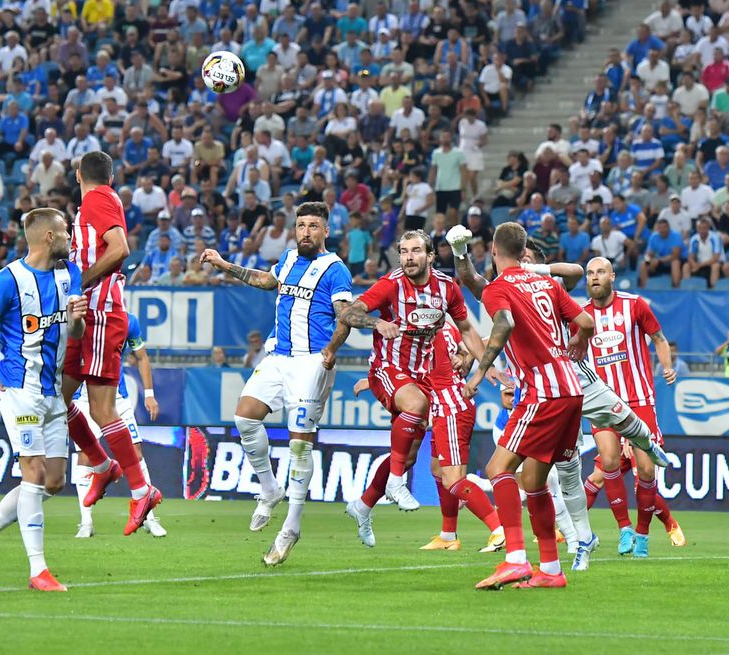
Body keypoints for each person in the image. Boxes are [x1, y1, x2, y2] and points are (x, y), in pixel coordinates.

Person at [448, 227, 669, 569]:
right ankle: (582, 539)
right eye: (524, 258)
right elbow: (472, 279)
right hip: (559, 385)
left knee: (614, 421)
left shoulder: (543, 282)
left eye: (533, 261)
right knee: (566, 472)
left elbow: (574, 275)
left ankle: (523, 557)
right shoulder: (513, 288)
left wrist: (480, 372)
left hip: (562, 383)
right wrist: (462, 253)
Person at [200, 202, 353, 566]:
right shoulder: (287, 259)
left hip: (311, 362)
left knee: (300, 443)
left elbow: (344, 316)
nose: (305, 232)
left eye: (313, 226)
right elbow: (266, 281)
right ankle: (269, 487)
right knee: (244, 417)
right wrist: (225, 265)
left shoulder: (335, 270)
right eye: (301, 225)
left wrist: (332, 349)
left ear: (326, 231)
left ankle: (292, 526)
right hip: (278, 356)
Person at [0, 208, 85, 592]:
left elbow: (74, 331)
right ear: (47, 237)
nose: (70, 237)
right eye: (65, 231)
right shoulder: (7, 280)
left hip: (52, 391)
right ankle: (38, 571)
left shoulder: (69, 273)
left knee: (55, 481)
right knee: (33, 475)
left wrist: (76, 318)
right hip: (19, 390)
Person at [463, 222, 594, 590]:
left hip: (543, 391)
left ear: (492, 251)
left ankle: (516, 559)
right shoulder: (548, 283)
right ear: (524, 253)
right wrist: (578, 341)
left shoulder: (498, 288)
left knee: (497, 468)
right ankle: (551, 570)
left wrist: (480, 372)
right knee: (534, 482)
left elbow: (502, 323)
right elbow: (585, 321)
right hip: (571, 389)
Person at [339, 230, 484, 543]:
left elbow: (467, 330)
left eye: (416, 250)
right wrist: (377, 322)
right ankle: (395, 483)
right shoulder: (391, 284)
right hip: (388, 368)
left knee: (406, 458)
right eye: (403, 251)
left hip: (423, 376)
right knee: (416, 408)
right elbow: (348, 312)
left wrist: (487, 366)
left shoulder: (447, 288)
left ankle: (362, 506)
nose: (408, 257)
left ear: (430, 256)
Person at [61, 151, 160, 536]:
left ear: (77, 173)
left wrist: (82, 281)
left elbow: (119, 249)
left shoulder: (97, 197)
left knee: (102, 410)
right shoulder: (95, 202)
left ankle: (140, 488)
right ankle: (104, 467)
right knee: (56, 398)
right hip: (87, 312)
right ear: (113, 173)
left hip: (100, 310)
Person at [580, 257, 684, 556]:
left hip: (638, 399)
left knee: (646, 469)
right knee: (609, 462)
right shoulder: (582, 315)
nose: (594, 277)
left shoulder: (635, 304)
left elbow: (659, 338)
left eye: (600, 272)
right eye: (589, 273)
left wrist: (666, 367)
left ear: (612, 276)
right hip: (602, 401)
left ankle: (643, 534)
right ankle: (624, 529)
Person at [411, 320, 504, 553]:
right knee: (437, 470)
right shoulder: (445, 328)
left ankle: (499, 529)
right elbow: (477, 342)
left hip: (451, 409)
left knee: (453, 479)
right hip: (442, 409)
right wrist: (465, 356)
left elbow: (480, 341)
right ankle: (448, 535)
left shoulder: (425, 331)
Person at [73, 312, 165, 539]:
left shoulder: (128, 320)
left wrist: (149, 394)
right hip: (82, 396)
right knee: (85, 456)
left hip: (117, 397)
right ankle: (86, 522)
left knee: (135, 452)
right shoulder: (79, 317)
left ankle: (149, 518)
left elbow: (141, 356)